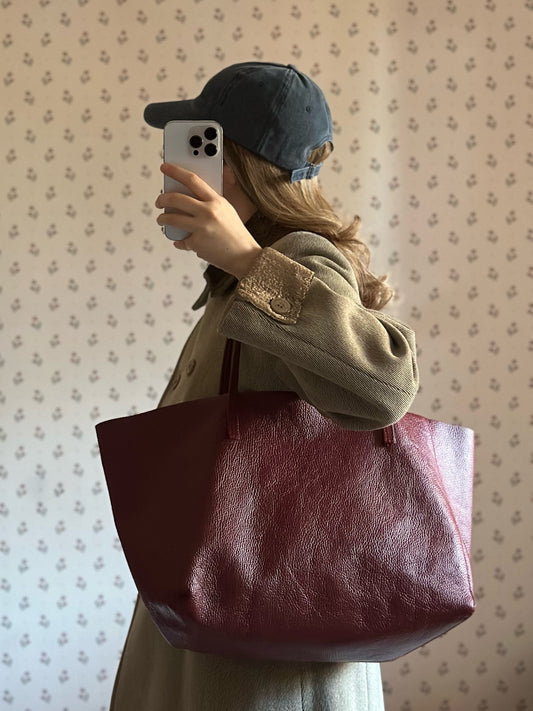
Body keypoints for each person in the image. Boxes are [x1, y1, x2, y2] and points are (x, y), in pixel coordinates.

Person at [109, 62, 418, 711]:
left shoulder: (295, 259)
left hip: (266, 647)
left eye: (199, 148)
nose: (177, 168)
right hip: (225, 613)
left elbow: (386, 385)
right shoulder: (238, 282)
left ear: (237, 166)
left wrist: (250, 261)